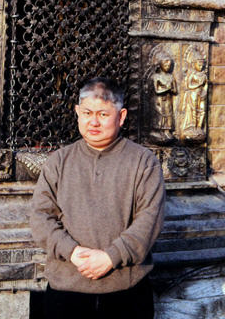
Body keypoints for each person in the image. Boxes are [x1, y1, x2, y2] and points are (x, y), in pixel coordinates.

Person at [30, 77, 165, 319]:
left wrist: (111, 257)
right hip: (66, 290)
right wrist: (71, 251)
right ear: (77, 113)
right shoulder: (58, 162)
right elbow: (41, 217)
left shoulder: (143, 163)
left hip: (126, 292)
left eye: (103, 114)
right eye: (87, 113)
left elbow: (149, 220)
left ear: (121, 117)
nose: (93, 122)